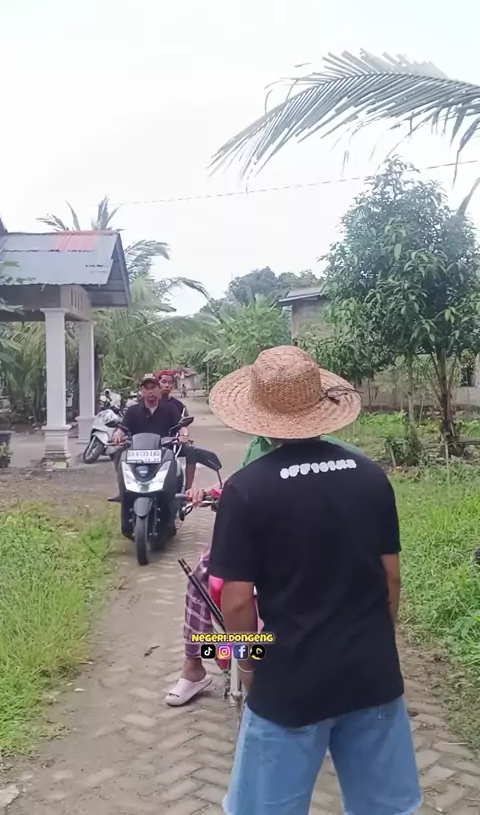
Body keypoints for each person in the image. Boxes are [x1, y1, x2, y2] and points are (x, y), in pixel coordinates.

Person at [208, 346, 421, 815]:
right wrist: (373, 642)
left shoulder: (246, 490)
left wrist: (248, 665)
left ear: (260, 417)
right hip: (372, 676)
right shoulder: (371, 477)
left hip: (289, 683)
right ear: (320, 408)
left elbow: (238, 602)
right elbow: (391, 577)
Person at [166, 433, 366, 707]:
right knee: (201, 576)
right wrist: (212, 492)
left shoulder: (343, 454)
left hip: (308, 543)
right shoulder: (256, 446)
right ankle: (194, 665)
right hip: (255, 541)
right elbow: (238, 483)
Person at [109, 373, 190, 508]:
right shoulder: (133, 410)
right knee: (118, 454)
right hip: (137, 453)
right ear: (141, 390)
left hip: (163, 452)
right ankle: (123, 489)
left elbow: (181, 427)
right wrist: (117, 436)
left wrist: (184, 435)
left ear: (158, 389)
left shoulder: (170, 409)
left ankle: (180, 495)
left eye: (153, 387)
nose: (150, 391)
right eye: (146, 388)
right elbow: (122, 429)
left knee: (183, 461)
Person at [156, 370, 196, 490]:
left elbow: (183, 425)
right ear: (157, 383)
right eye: (164, 382)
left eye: (170, 383)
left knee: (192, 451)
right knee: (120, 452)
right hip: (149, 444)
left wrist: (184, 436)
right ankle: (124, 488)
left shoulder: (178, 405)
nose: (167, 385)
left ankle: (188, 489)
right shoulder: (148, 402)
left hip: (172, 443)